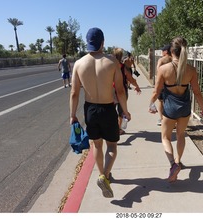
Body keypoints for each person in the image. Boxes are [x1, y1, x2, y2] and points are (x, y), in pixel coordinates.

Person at [70, 27, 131, 198]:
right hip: (108, 108)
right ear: (102, 42)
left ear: (87, 42)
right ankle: (105, 175)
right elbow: (120, 91)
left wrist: (72, 115)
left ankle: (102, 174)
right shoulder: (112, 62)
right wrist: (125, 111)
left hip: (90, 109)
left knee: (97, 145)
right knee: (111, 145)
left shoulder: (79, 64)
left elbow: (74, 93)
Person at [148, 36, 203, 183]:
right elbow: (197, 92)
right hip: (185, 108)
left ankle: (173, 164)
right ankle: (178, 160)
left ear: (171, 51)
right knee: (181, 135)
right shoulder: (191, 70)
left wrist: (151, 104)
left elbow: (157, 92)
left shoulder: (164, 69)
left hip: (169, 109)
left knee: (165, 137)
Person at [112, 48, 141, 135]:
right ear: (121, 56)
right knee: (121, 112)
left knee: (112, 112)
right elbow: (131, 79)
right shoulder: (122, 67)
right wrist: (137, 86)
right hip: (121, 90)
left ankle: (112, 128)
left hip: (110, 91)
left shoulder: (108, 66)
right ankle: (118, 129)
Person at [156, 44, 172, 126]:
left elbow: (158, 71)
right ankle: (171, 120)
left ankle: (162, 119)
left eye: (163, 50)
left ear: (166, 51)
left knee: (161, 101)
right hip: (172, 84)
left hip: (162, 85)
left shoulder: (161, 60)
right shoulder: (174, 59)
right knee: (170, 102)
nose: (162, 52)